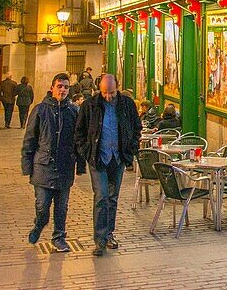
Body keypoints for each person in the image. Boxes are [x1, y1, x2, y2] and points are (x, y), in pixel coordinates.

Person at [74, 73, 141, 256]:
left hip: (117, 158)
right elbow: (79, 131)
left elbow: (137, 127)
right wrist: (87, 152)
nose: (108, 96)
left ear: (117, 88)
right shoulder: (90, 105)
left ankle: (109, 234)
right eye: (104, 93)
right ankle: (100, 239)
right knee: (102, 196)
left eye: (111, 92)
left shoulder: (127, 105)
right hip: (98, 158)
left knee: (112, 198)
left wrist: (131, 148)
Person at [21, 73, 81, 252]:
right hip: (43, 167)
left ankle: (59, 237)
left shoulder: (73, 111)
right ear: (52, 88)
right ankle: (39, 225)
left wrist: (81, 164)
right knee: (42, 205)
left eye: (66, 87)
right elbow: (30, 139)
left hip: (64, 167)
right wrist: (27, 165)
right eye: (59, 86)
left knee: (62, 207)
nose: (62, 90)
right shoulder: (40, 110)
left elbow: (79, 140)